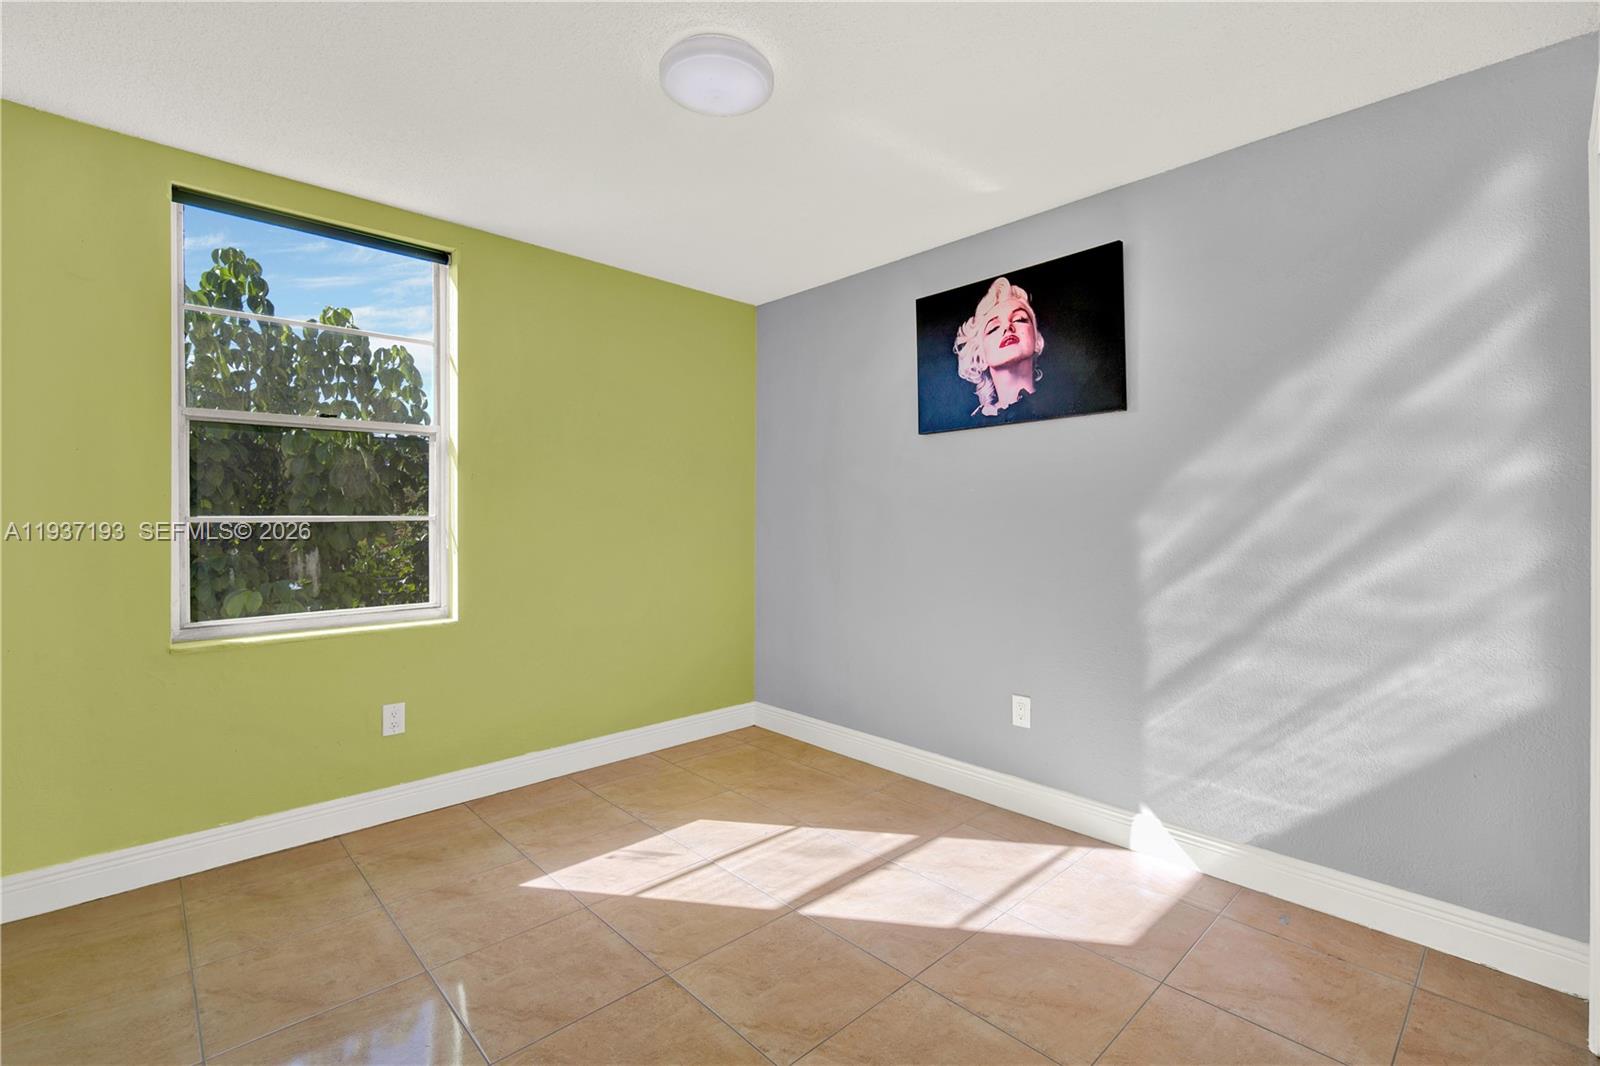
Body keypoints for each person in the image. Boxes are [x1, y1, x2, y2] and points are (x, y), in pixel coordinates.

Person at [952, 277, 1045, 417]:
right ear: (980, 356)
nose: (1008, 327)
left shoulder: (1061, 403)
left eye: (1019, 319)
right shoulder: (974, 420)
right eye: (993, 328)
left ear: (1037, 341)